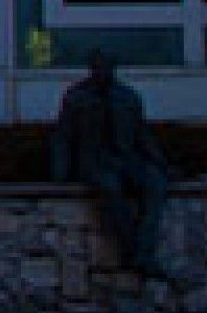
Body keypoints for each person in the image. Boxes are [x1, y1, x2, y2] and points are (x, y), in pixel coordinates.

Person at [52, 48, 173, 275]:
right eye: (98, 66)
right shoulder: (76, 98)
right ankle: (133, 250)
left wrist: (161, 164)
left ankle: (142, 251)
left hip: (127, 160)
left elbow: (142, 135)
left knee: (156, 185)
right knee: (110, 188)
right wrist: (61, 172)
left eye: (106, 66)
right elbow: (63, 137)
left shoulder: (127, 97)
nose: (102, 71)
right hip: (95, 163)